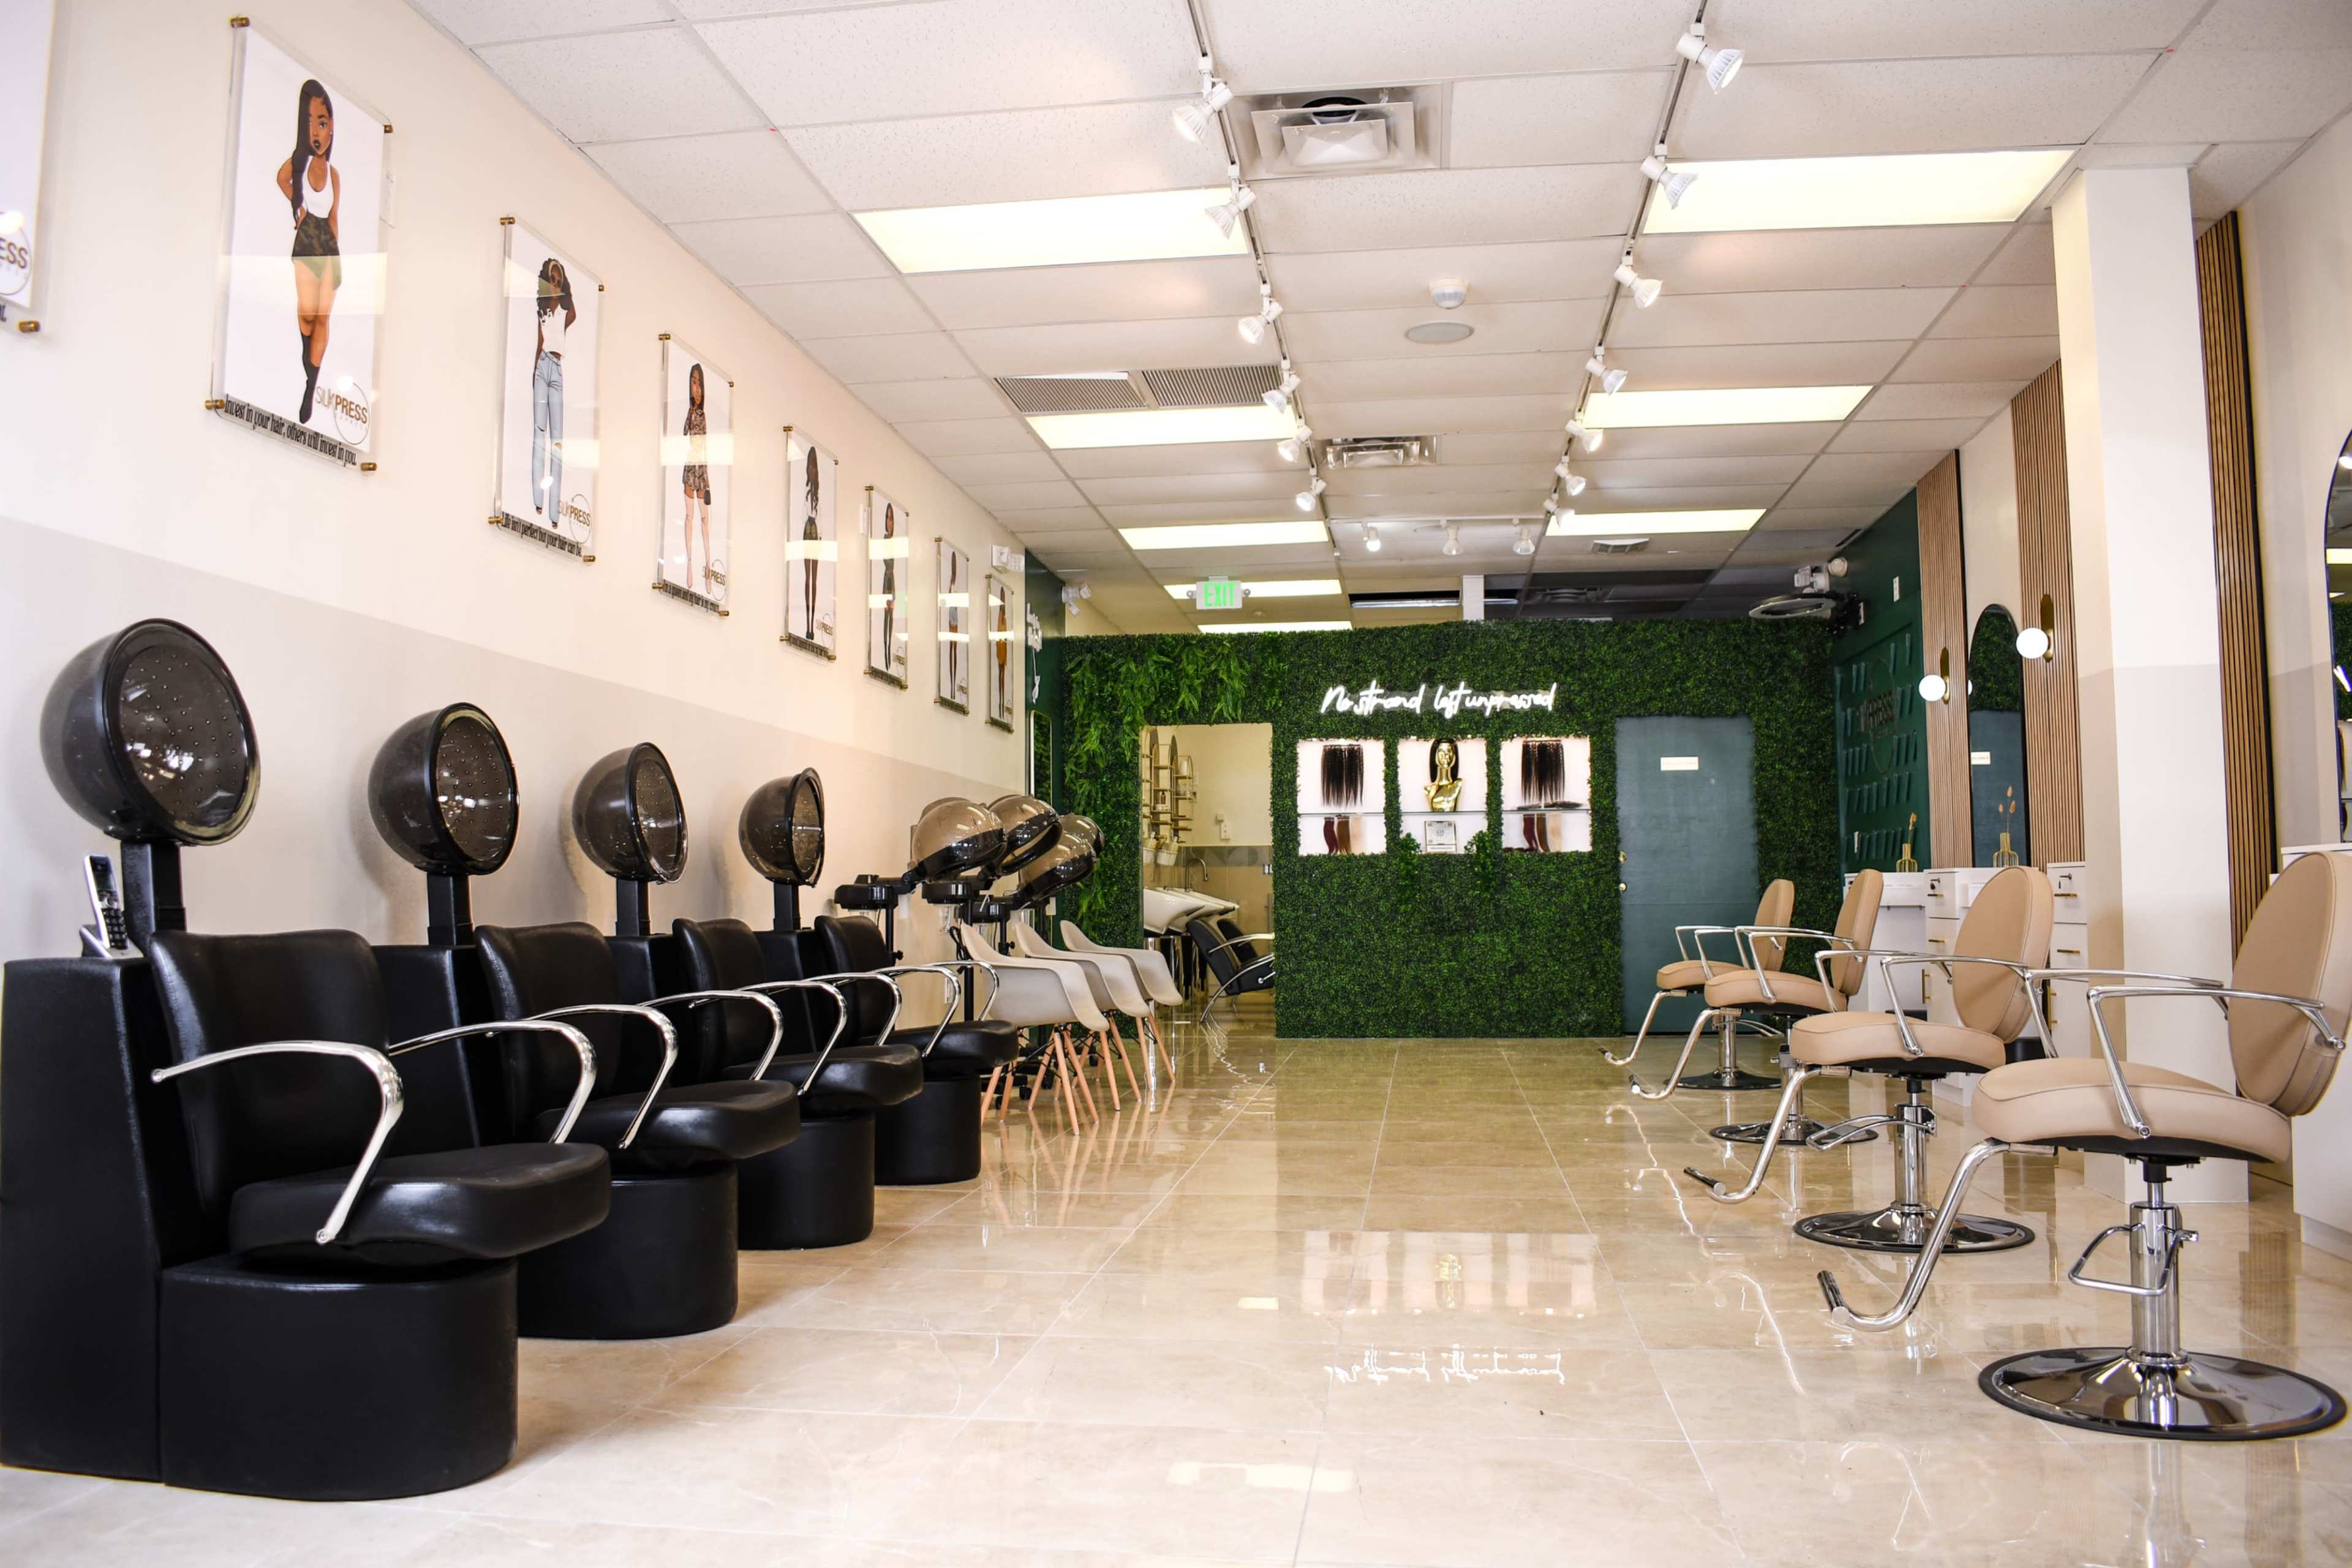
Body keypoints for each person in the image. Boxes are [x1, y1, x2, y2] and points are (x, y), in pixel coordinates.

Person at [275, 79, 338, 426]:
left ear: (332, 127)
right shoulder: (297, 163)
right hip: (306, 238)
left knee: (324, 316)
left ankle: (311, 385)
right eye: (311, 122)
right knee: (307, 315)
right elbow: (282, 180)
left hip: (328, 244)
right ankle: (308, 368)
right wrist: (297, 205)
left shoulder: (335, 175)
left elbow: (335, 217)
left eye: (324, 122)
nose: (317, 130)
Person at [532, 257, 575, 527]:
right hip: (542, 366)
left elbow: (573, 312)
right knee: (539, 434)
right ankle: (538, 500)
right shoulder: (543, 312)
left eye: (559, 279)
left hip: (557, 368)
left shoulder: (566, 312)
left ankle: (554, 514)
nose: (556, 283)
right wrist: (533, 369)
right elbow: (539, 342)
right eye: (552, 279)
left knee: (557, 443)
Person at [680, 364, 711, 595]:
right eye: (693, 382)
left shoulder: (703, 415)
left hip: (702, 467)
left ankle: (708, 566)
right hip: (692, 465)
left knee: (703, 519)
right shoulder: (691, 414)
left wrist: (707, 481)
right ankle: (690, 564)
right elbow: (684, 435)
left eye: (699, 383)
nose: (696, 388)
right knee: (690, 516)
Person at [799, 445, 821, 640]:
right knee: (809, 579)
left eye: (814, 467)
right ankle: (807, 624)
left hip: (815, 534)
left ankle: (813, 625)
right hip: (808, 532)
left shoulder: (817, 493)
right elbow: (803, 516)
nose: (812, 470)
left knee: (815, 580)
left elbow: (819, 518)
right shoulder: (807, 490)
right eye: (810, 467)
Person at [879, 502, 898, 673]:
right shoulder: (886, 540)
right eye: (887, 518)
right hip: (887, 580)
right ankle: (885, 648)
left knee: (892, 616)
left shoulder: (894, 541)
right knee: (886, 616)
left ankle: (889, 646)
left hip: (893, 582)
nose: (889, 522)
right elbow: (886, 560)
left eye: (891, 519)